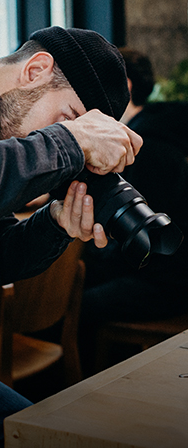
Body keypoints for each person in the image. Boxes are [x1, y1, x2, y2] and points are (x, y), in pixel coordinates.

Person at [0, 26, 142, 446]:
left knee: (56, 438)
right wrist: (72, 141)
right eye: (69, 117)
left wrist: (57, 223)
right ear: (37, 70)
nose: (66, 138)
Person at [78, 47, 188, 378]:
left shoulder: (139, 149)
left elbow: (136, 247)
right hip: (173, 273)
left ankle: (76, 396)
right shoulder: (168, 128)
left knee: (72, 305)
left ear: (123, 88)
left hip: (164, 283)